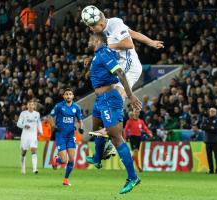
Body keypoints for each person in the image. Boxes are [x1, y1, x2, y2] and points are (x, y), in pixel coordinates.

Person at [83, 5, 164, 163]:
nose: (92, 30)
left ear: (99, 24)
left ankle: (111, 134)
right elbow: (132, 33)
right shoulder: (110, 25)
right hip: (119, 64)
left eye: (92, 27)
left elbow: (128, 43)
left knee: (116, 94)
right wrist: (151, 42)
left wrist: (105, 47)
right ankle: (108, 141)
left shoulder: (115, 25)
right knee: (105, 98)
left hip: (130, 66)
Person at [85, 32, 142, 194]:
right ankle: (97, 158)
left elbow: (121, 73)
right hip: (101, 99)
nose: (88, 41)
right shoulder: (102, 54)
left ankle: (133, 177)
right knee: (97, 126)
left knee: (116, 137)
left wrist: (130, 95)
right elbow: (115, 57)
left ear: (96, 40)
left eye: (90, 39)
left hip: (109, 98)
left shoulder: (103, 54)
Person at [50, 88, 84, 186]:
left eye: (70, 94)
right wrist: (53, 126)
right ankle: (57, 160)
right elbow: (50, 116)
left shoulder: (76, 107)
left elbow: (80, 120)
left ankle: (66, 180)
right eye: (66, 94)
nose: (68, 96)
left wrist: (81, 128)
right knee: (64, 160)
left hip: (70, 136)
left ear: (73, 96)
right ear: (64, 96)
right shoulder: (59, 106)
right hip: (60, 135)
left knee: (72, 159)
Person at [17, 101, 43, 174]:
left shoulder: (37, 114)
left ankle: (35, 169)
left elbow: (39, 123)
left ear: (34, 106)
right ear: (27, 106)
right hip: (25, 135)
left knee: (33, 150)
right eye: (29, 105)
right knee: (23, 152)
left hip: (33, 135)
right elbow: (18, 124)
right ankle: (23, 167)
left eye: (32, 105)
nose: (31, 106)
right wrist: (24, 125)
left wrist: (41, 131)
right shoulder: (23, 114)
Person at [201, 107, 217, 174]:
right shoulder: (206, 119)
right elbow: (202, 127)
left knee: (216, 156)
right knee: (209, 156)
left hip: (215, 140)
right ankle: (211, 170)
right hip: (208, 140)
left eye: (213, 111)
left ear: (215, 112)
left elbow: (216, 129)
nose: (212, 112)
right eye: (211, 111)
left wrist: (208, 127)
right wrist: (211, 127)